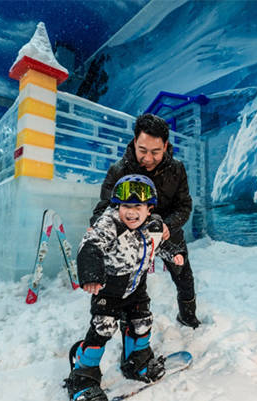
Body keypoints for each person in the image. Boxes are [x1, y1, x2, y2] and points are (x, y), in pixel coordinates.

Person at [65, 174, 185, 401]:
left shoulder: (154, 225)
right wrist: (91, 275)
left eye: (137, 206)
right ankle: (83, 375)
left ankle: (137, 361)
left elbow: (159, 245)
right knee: (104, 327)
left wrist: (174, 254)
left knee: (142, 322)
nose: (131, 212)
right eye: (125, 206)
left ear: (149, 208)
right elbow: (91, 244)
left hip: (136, 286)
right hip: (108, 287)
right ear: (117, 206)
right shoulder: (109, 223)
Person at [90, 113, 200, 328]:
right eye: (142, 150)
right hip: (131, 240)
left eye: (155, 152)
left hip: (168, 232)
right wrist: (100, 228)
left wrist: (168, 225)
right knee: (128, 286)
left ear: (166, 145)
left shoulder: (177, 169)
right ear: (134, 142)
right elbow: (102, 209)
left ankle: (188, 316)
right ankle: (127, 325)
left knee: (184, 277)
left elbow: (184, 206)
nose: (148, 158)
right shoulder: (119, 170)